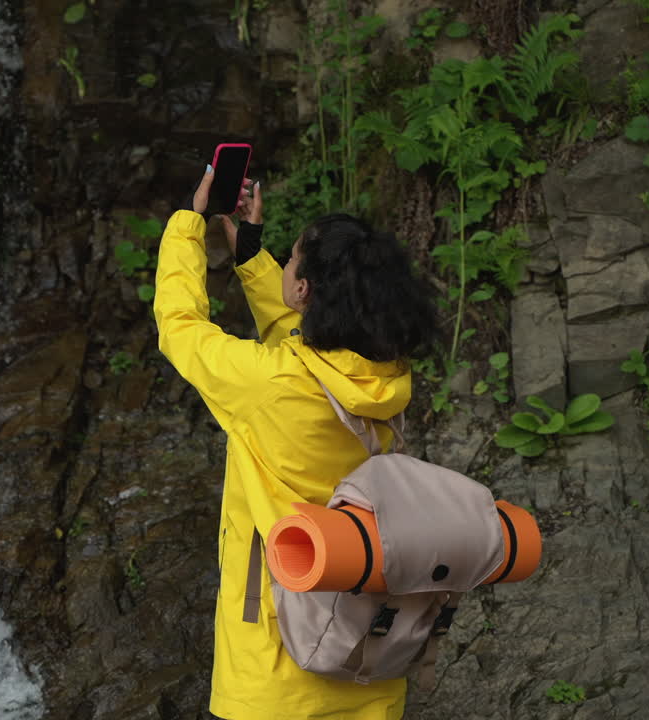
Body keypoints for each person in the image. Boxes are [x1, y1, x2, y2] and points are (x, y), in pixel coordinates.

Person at [153, 165, 439, 719]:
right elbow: (306, 344)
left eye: (289, 262)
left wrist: (189, 221)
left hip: (279, 667)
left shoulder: (271, 385)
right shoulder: (386, 377)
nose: (284, 267)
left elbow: (180, 325)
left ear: (304, 289)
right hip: (367, 661)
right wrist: (252, 255)